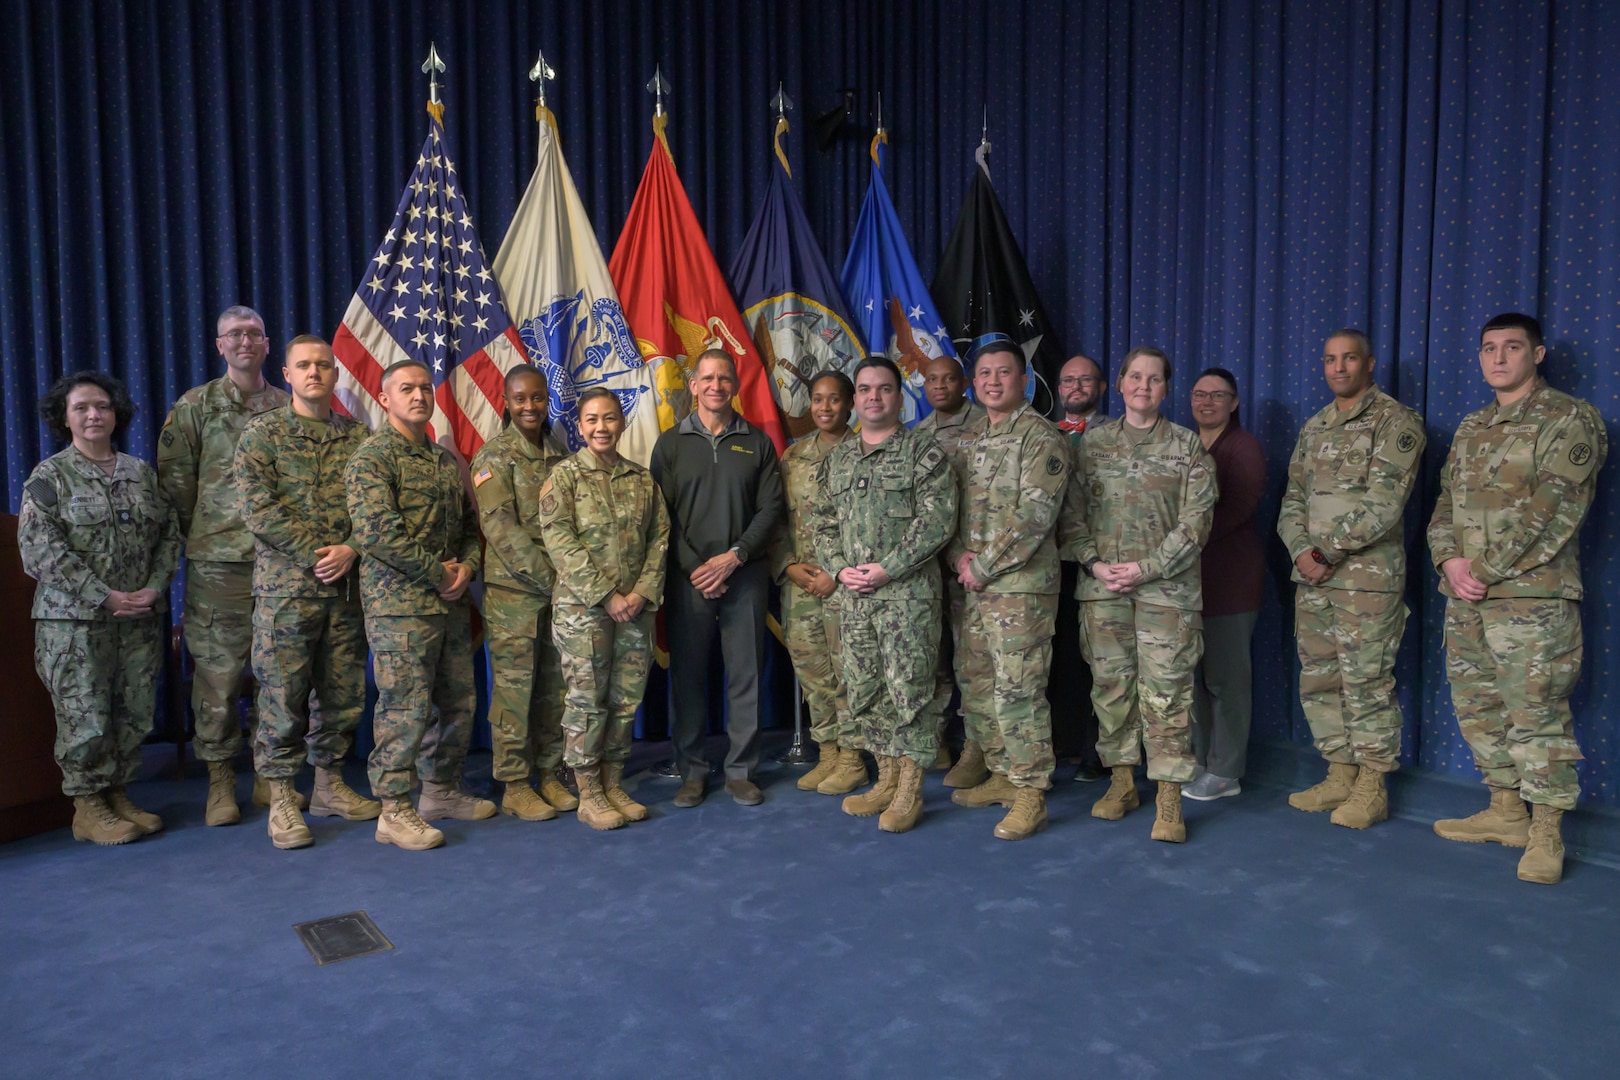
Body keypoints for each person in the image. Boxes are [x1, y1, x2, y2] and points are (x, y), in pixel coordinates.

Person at [1428, 313, 1607, 884]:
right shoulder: (1473, 424)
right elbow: (1445, 503)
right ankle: (1506, 812)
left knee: (1537, 714)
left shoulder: (1568, 417)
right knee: (1478, 705)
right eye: (1489, 348)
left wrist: (1481, 569)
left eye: (1512, 347)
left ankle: (1547, 832)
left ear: (1538, 354)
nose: (1499, 358)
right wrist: (1448, 561)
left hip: (1533, 597)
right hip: (1467, 595)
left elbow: (1553, 509)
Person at [19, 372, 180, 845]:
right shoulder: (49, 478)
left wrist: (154, 588)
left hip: (137, 618)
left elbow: (169, 535)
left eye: (103, 406)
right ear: (64, 417)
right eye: (82, 408)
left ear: (117, 414)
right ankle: (88, 807)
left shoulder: (140, 474)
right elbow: (40, 550)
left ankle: (118, 794)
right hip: (75, 623)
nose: (94, 415)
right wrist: (102, 595)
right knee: (84, 714)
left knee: (133, 710)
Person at [1063, 346, 1215, 843]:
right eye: (1135, 377)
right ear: (1121, 384)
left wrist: (1146, 569)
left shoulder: (1187, 446)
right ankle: (1122, 781)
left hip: (1166, 593)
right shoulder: (1092, 444)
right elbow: (1071, 514)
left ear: (1166, 388)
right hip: (1102, 588)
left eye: (1154, 379)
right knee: (1111, 690)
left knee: (1167, 694)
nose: (1143, 386)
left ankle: (1169, 797)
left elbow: (1196, 524)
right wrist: (1095, 563)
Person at [233, 335, 380, 850]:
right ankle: (280, 797)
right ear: (288, 374)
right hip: (287, 592)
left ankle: (329, 786)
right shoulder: (262, 434)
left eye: (322, 364)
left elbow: (377, 505)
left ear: (335, 373)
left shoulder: (359, 438)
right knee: (282, 697)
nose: (314, 372)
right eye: (303, 365)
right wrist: (317, 554)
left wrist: (353, 547)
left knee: (342, 696)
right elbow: (258, 508)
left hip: (345, 590)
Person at [1276, 330, 1424, 828]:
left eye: (1349, 358)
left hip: (1366, 580)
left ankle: (1372, 786)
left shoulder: (1395, 421)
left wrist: (1325, 551)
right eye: (1330, 359)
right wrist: (1301, 551)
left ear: (1370, 363)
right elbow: (1293, 498)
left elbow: (1385, 502)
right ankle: (1339, 772)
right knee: (1320, 678)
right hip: (1313, 578)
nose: (1338, 368)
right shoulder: (1315, 425)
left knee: (1367, 682)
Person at [346, 360, 492, 851]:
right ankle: (392, 809)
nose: (418, 396)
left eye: (425, 388)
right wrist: (440, 573)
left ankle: (439, 791)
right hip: (399, 606)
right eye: (406, 388)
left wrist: (466, 568)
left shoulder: (444, 461)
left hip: (449, 604)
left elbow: (469, 529)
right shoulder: (372, 459)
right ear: (384, 398)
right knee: (404, 708)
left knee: (457, 702)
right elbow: (379, 535)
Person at [810, 356, 957, 833]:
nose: (874, 397)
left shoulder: (923, 453)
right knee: (866, 690)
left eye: (885, 388)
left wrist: (887, 569)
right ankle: (886, 778)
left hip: (906, 599)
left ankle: (910, 789)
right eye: (866, 389)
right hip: (854, 600)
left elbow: (937, 521)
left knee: (910, 691)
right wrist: (838, 568)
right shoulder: (838, 460)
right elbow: (822, 523)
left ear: (899, 396)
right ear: (855, 399)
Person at [157, 305, 292, 825]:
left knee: (279, 674)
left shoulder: (287, 406)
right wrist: (206, 535)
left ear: (267, 344)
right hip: (219, 565)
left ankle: (269, 776)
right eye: (234, 334)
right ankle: (219, 781)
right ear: (219, 345)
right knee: (218, 676)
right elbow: (176, 489)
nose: (245, 341)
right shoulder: (195, 406)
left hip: (280, 561)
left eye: (254, 333)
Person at [945, 339, 1070, 840]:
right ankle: (1001, 774)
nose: (993, 381)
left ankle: (1031, 793)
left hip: (1020, 588)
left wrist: (983, 565)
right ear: (974, 382)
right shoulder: (971, 437)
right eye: (984, 373)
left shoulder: (1041, 437)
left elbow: (1035, 515)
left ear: (1024, 380)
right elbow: (952, 509)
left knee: (1019, 689)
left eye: (1004, 372)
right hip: (972, 586)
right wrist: (958, 557)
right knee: (977, 682)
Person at [650, 349, 784, 807]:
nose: (715, 386)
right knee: (688, 677)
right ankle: (692, 772)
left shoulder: (758, 443)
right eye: (706, 378)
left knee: (746, 676)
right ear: (693, 385)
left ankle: (741, 772)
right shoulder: (670, 444)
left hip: (745, 576)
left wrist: (734, 557)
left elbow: (770, 509)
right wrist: (696, 568)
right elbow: (661, 517)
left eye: (724, 378)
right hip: (688, 579)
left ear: (736, 385)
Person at [539, 388, 671, 830]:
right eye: (592, 419)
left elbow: (660, 538)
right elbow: (560, 542)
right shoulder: (565, 477)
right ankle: (589, 792)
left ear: (622, 422)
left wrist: (641, 593)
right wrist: (607, 596)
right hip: (584, 613)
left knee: (625, 700)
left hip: (635, 610)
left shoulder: (641, 479)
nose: (601, 427)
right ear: (579, 426)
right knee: (587, 702)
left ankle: (613, 783)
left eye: (610, 418)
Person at [470, 365, 577, 822]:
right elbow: (501, 530)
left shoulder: (560, 453)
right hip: (516, 594)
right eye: (520, 399)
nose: (530, 406)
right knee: (515, 694)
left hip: (561, 591)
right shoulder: (494, 457)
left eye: (537, 397)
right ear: (506, 402)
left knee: (554, 689)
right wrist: (554, 581)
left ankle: (549, 774)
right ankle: (515, 784)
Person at [771, 371, 861, 796]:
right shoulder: (793, 457)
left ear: (851, 404)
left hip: (847, 585)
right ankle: (827, 752)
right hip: (801, 585)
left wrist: (836, 573)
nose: (825, 408)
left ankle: (852, 758)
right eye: (818, 399)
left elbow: (872, 525)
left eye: (834, 399)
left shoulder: (865, 452)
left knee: (851, 673)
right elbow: (775, 520)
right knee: (813, 672)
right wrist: (787, 565)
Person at [1185, 367, 1267, 801]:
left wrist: (1180, 536)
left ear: (1234, 403)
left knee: (1226, 680)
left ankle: (1226, 771)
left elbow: (1237, 507)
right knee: (1193, 679)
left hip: (1230, 582)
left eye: (1218, 395)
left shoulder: (1243, 446)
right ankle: (1200, 760)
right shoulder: (1182, 443)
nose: (1207, 401)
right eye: (1200, 394)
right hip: (1187, 582)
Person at [914, 353, 986, 778]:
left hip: (971, 565)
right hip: (928, 565)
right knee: (931, 657)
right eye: (931, 380)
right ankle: (936, 739)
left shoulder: (986, 426)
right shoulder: (917, 434)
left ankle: (976, 746)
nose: (939, 387)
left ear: (965, 383)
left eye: (949, 379)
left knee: (973, 661)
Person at [1051, 353, 1105, 784]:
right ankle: (1059, 742)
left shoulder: (1118, 435)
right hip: (1050, 564)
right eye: (1069, 380)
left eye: (1085, 380)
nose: (1076, 387)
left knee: (1098, 662)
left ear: (1101, 388)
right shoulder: (1042, 435)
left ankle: (1096, 752)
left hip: (1096, 563)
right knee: (1057, 658)